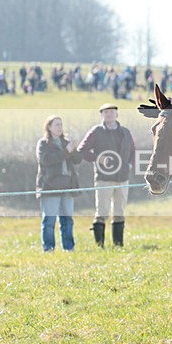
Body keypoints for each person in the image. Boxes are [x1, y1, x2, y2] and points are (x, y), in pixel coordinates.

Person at [77, 103, 136, 247]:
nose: (109, 114)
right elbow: (82, 150)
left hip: (122, 178)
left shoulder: (125, 132)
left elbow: (133, 151)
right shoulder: (96, 132)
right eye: (106, 112)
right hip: (104, 179)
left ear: (117, 114)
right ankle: (100, 245)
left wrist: (129, 165)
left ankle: (118, 244)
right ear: (101, 115)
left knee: (119, 211)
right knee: (102, 212)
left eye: (112, 112)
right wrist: (97, 158)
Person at [36, 115, 82, 252]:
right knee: (49, 220)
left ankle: (69, 247)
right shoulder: (43, 144)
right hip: (50, 186)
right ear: (49, 127)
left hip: (68, 186)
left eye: (61, 125)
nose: (60, 127)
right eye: (56, 125)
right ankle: (49, 248)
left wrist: (75, 149)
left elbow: (77, 160)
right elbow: (47, 160)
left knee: (67, 219)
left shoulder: (65, 143)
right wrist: (66, 151)